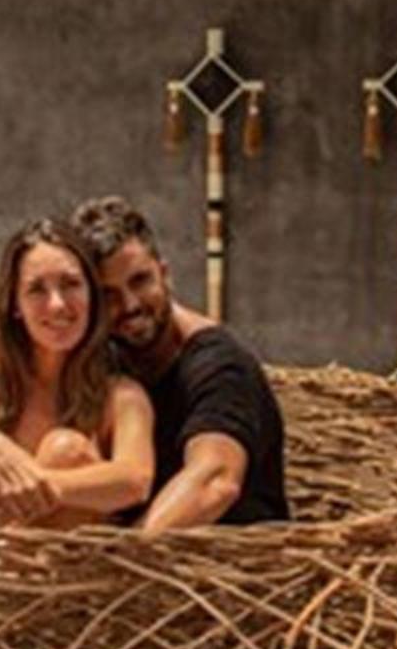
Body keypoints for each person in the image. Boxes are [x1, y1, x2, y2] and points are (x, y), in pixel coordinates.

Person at [0, 218, 155, 527]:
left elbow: (135, 480)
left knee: (66, 450)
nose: (57, 304)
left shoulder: (120, 395)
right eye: (37, 289)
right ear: (15, 305)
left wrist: (38, 486)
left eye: (70, 284)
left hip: (45, 565)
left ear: (92, 294)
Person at [68, 197, 288, 531]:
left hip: (222, 566)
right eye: (108, 295)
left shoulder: (220, 367)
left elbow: (214, 483)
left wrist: (118, 557)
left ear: (164, 273)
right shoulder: (107, 361)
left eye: (140, 281)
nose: (130, 305)